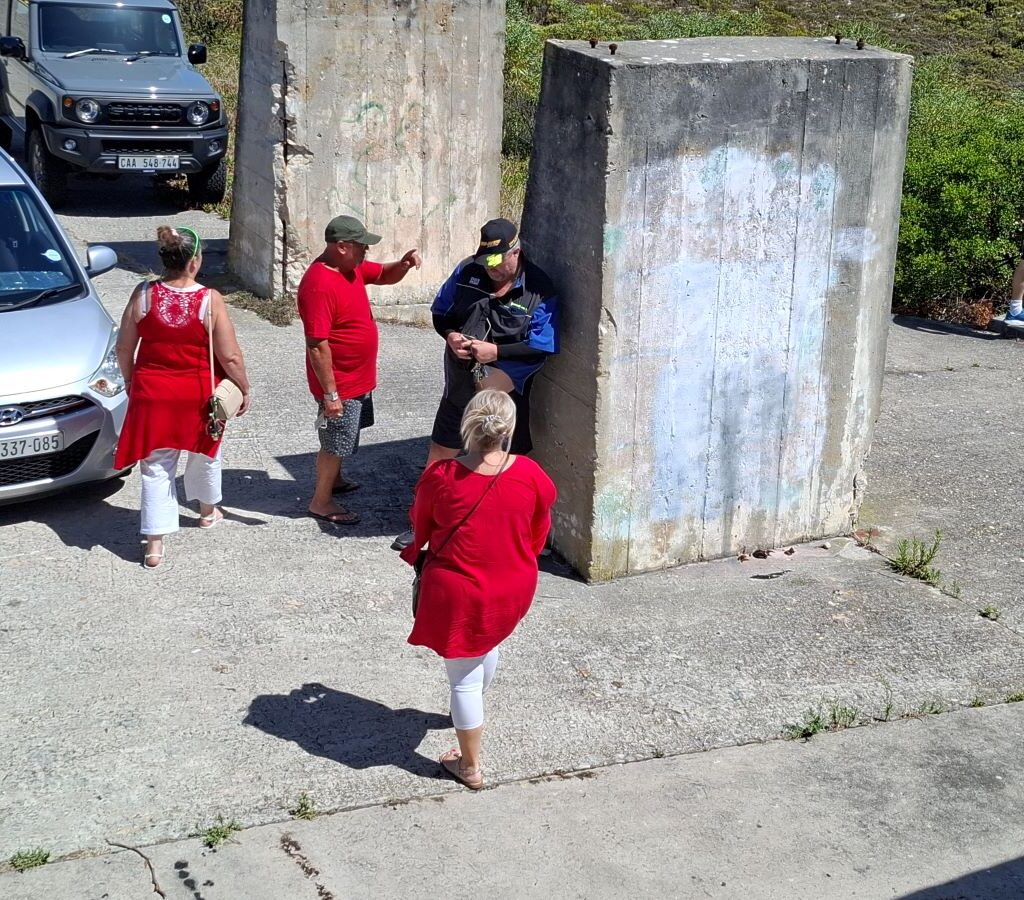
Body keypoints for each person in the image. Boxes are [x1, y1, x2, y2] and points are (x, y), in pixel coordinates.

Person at [400, 390, 557, 790]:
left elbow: (422, 527)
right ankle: (468, 711)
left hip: (461, 591)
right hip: (513, 585)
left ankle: (468, 766)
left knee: (464, 679)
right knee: (487, 644)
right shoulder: (530, 473)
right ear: (509, 428)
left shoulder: (441, 477)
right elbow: (539, 529)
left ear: (468, 424)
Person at [392, 218, 559, 550]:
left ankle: (504, 531)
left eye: (497, 261)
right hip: (460, 381)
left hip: (507, 392)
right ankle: (421, 524)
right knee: (441, 451)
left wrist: (495, 351)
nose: (491, 269)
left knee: (505, 462)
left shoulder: (540, 289)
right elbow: (441, 313)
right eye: (486, 261)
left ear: (517, 251)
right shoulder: (467, 271)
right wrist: (451, 334)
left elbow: (543, 346)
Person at [114, 226, 251, 568]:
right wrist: (243, 387)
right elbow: (230, 355)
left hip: (152, 393)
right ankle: (207, 512)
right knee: (206, 451)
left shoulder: (143, 294)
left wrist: (131, 381)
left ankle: (155, 546)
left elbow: (123, 347)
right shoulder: (210, 300)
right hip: (197, 393)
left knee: (156, 466)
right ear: (195, 261)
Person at [297, 215, 421, 525]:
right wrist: (331, 394)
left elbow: (383, 275)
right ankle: (321, 501)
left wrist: (403, 264)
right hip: (341, 384)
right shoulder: (320, 284)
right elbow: (317, 345)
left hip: (358, 379)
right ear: (341, 246)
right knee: (335, 442)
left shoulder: (349, 269)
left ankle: (335, 480)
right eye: (360, 246)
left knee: (347, 437)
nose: (366, 252)